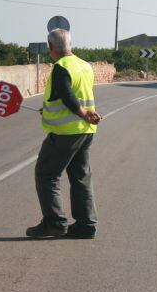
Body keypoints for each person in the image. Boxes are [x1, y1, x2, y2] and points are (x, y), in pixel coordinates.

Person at [26, 28, 102, 239]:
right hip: (85, 131)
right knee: (80, 177)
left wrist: (82, 112)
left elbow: (69, 96)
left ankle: (55, 223)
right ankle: (86, 225)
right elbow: (69, 95)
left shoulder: (60, 67)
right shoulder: (84, 65)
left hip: (65, 133)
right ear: (70, 45)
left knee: (47, 174)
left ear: (51, 48)